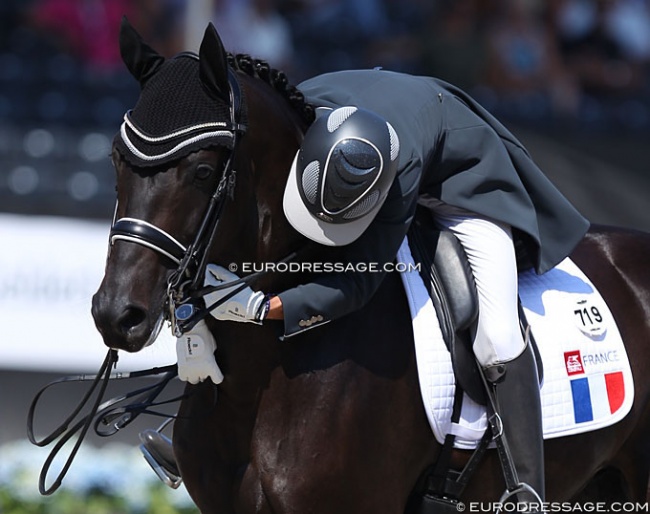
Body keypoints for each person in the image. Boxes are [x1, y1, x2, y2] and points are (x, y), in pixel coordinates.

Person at [181, 68, 591, 508]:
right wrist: (194, 322)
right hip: (366, 144)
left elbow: (357, 281)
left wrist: (264, 307)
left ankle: (526, 490)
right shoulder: (299, 123)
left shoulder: (400, 178)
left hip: (463, 187)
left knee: (498, 336)